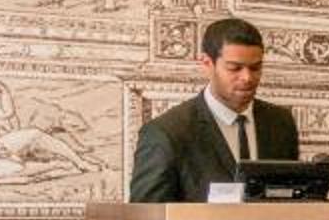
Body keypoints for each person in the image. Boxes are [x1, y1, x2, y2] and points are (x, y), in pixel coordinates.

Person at [128, 16, 299, 202]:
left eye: (255, 68)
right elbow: (146, 216)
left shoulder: (281, 123)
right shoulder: (166, 133)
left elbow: (293, 200)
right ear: (207, 64)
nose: (247, 78)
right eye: (235, 68)